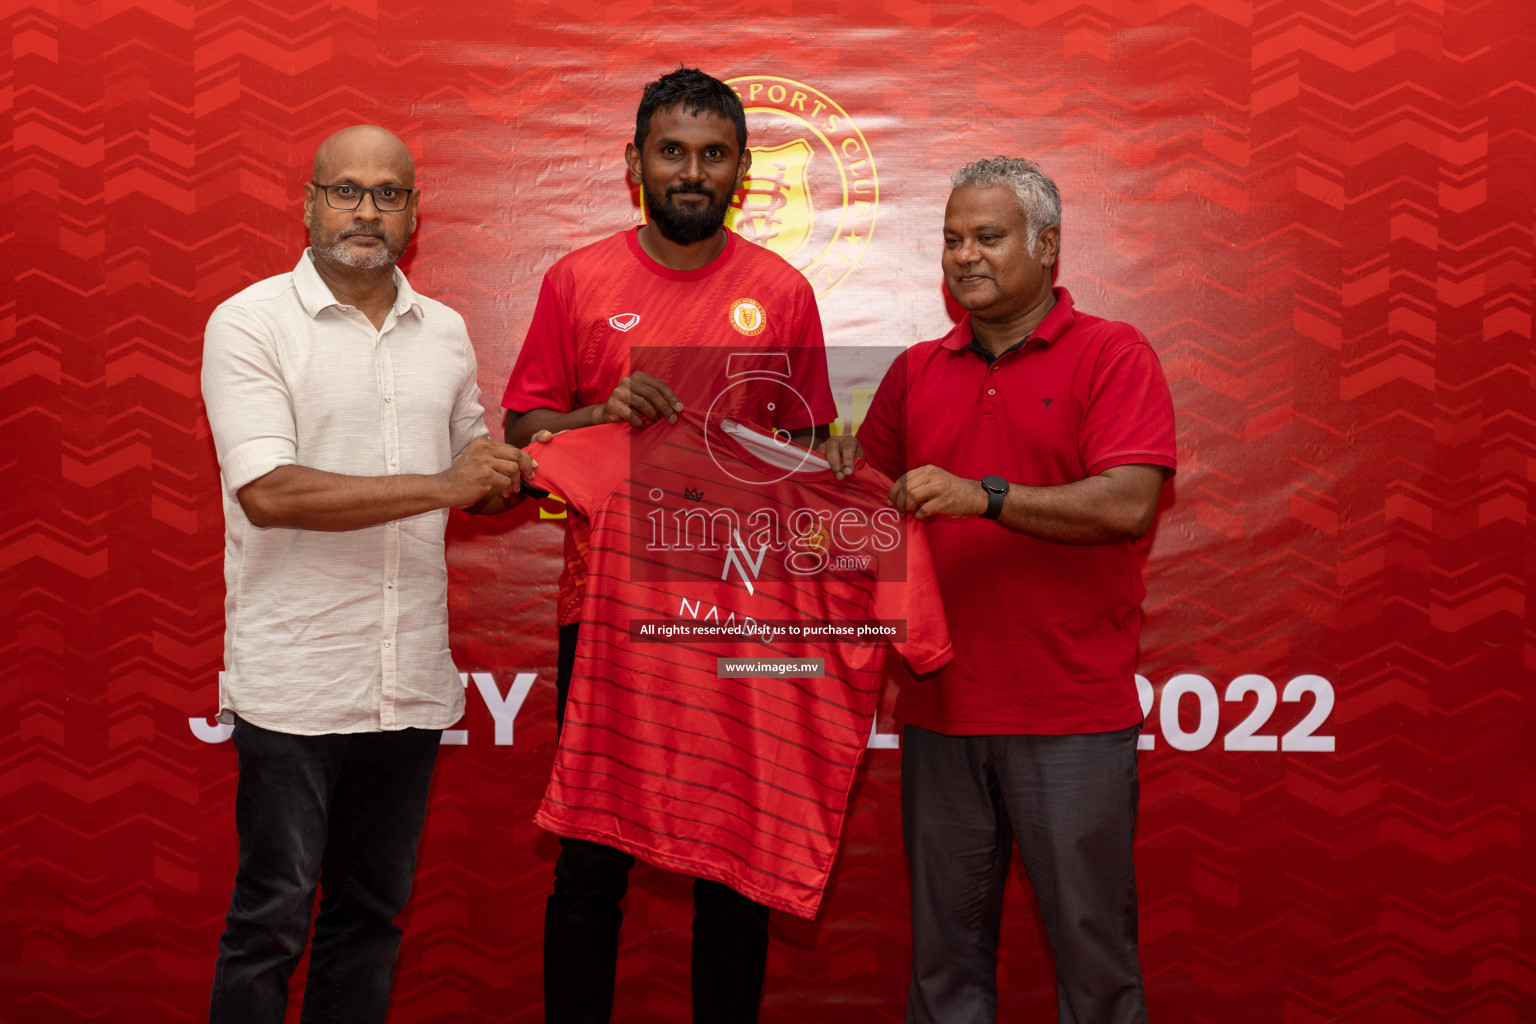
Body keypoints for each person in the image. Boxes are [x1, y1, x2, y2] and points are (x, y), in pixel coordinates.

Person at [501, 67, 837, 1023]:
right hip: (604, 617)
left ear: (742, 170)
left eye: (714, 155)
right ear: (634, 163)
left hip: (744, 615)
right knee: (590, 860)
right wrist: (601, 415)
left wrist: (746, 446)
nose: (693, 171)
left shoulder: (782, 291)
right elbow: (522, 433)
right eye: (672, 151)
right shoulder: (577, 280)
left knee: (737, 862)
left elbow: (816, 460)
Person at [821, 156, 1176, 1024]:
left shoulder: (1114, 353)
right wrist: (828, 478)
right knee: (945, 974)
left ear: (1047, 245)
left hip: (1071, 716)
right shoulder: (912, 371)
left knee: (1097, 972)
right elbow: (864, 519)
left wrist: (982, 496)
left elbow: (1128, 503)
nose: (964, 257)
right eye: (951, 240)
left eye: (987, 237)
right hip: (941, 711)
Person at [201, 124, 535, 1024]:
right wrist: (447, 484)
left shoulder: (448, 333)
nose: (367, 209)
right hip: (297, 682)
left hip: (409, 680)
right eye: (346, 190)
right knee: (270, 921)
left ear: (415, 214)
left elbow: (474, 467)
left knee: (370, 921)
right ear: (308, 203)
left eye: (389, 193)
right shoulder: (249, 322)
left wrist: (547, 458)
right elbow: (269, 492)